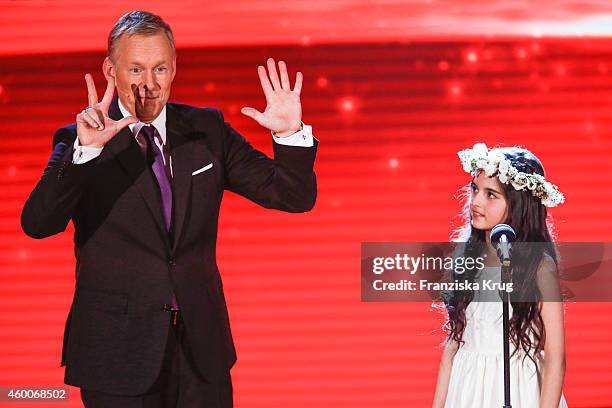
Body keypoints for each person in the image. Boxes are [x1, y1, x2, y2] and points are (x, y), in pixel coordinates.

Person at [20, 10, 317, 408]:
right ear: (111, 70)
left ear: (174, 68)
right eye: (136, 69)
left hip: (200, 352)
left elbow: (293, 196)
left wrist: (288, 133)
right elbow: (38, 223)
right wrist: (86, 152)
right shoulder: (81, 139)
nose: (149, 84)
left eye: (160, 68)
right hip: (117, 356)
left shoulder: (205, 129)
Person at [431, 143, 568, 407]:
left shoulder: (539, 267)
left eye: (490, 194)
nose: (476, 201)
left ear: (518, 205)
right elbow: (453, 345)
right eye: (474, 189)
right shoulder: (467, 261)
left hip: (517, 388)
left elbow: (555, 356)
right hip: (468, 388)